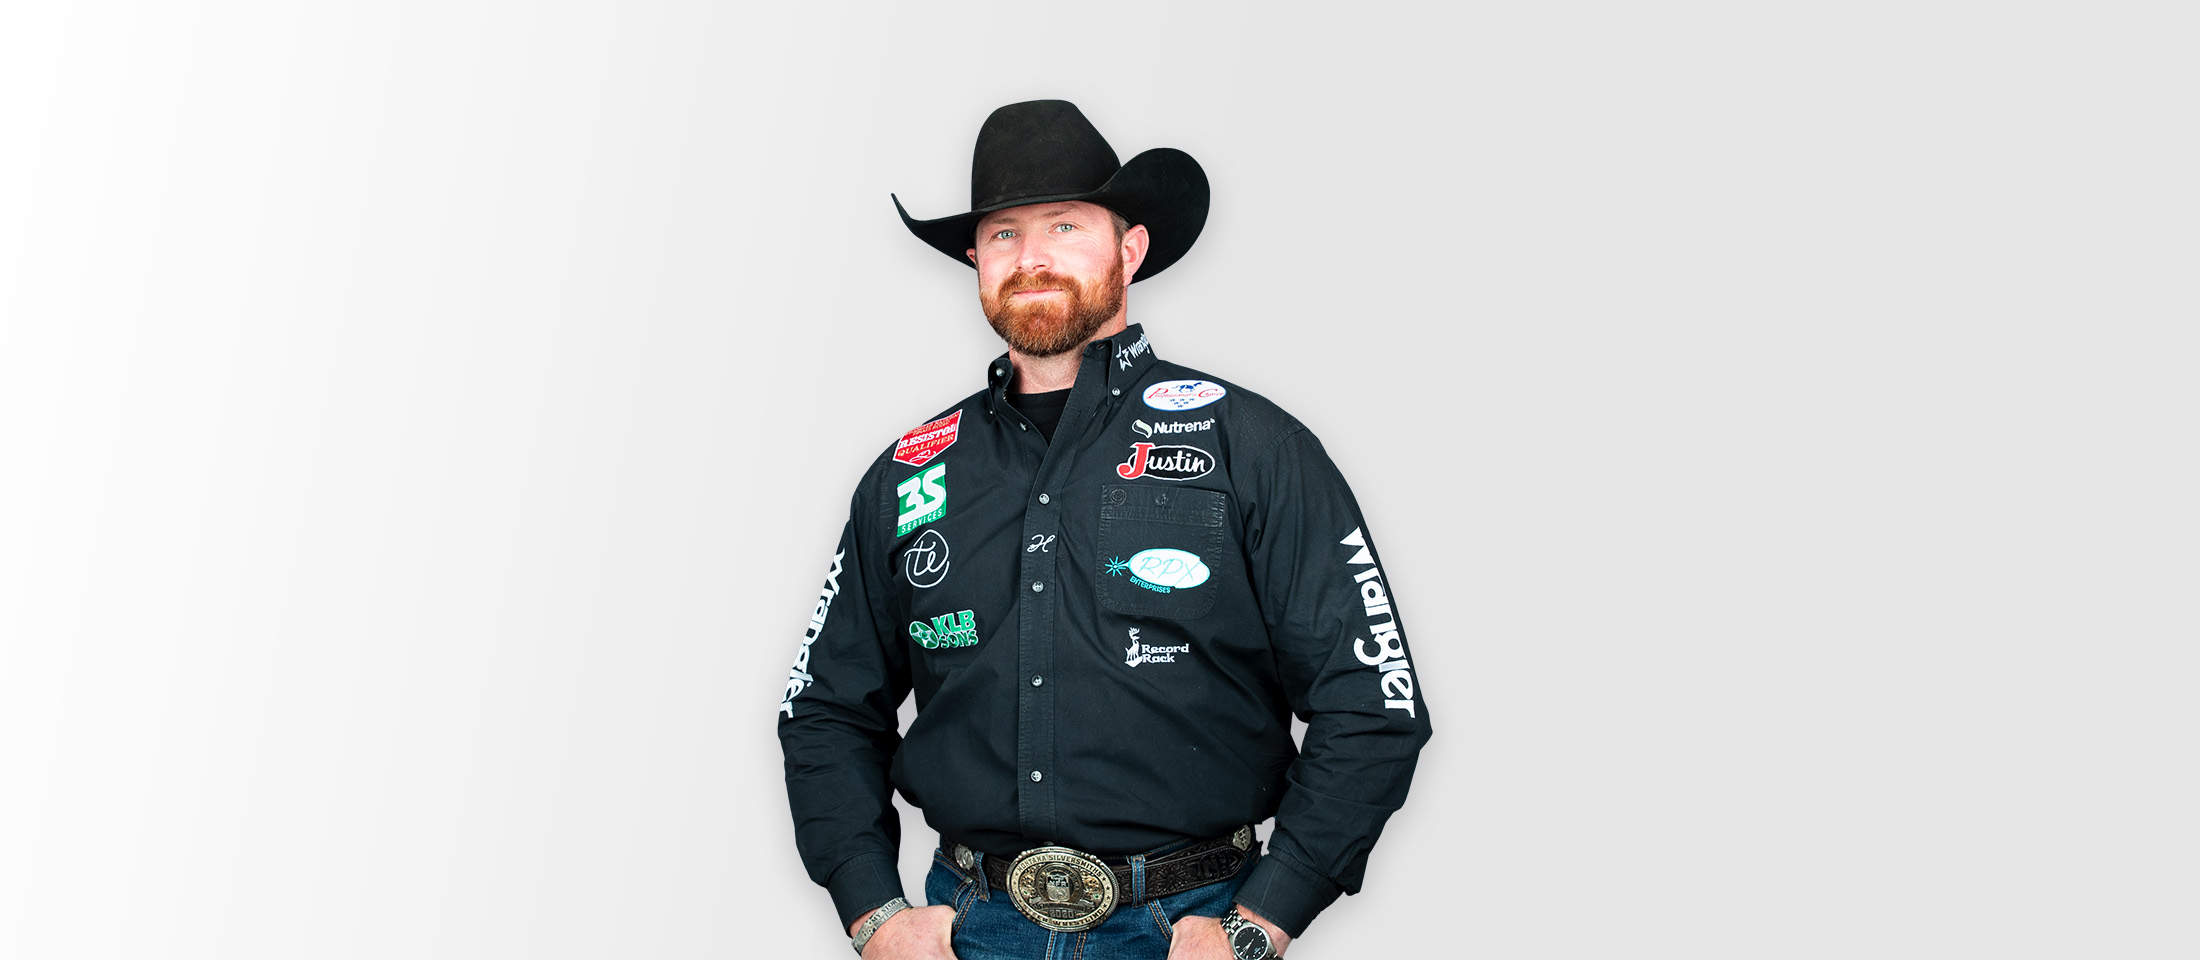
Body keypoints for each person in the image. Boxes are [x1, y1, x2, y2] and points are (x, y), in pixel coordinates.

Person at [776, 100, 1432, 960]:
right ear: (976, 260)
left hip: (1187, 927)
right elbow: (823, 708)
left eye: (1064, 225)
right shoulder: (906, 475)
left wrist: (1264, 918)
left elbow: (1374, 700)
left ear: (1130, 250)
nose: (1032, 257)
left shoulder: (1255, 447)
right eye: (1003, 234)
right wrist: (871, 912)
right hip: (968, 929)